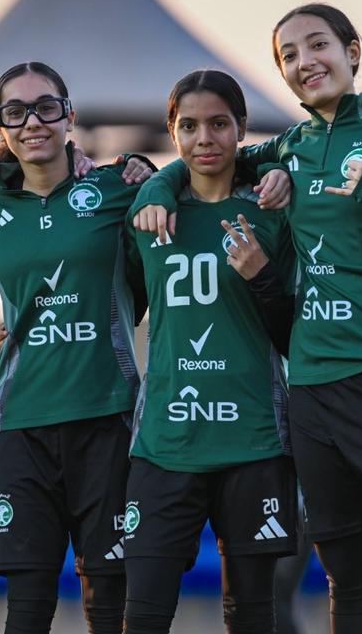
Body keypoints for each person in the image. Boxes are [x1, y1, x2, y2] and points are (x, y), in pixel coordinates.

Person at [132, 3, 362, 633]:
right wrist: (158, 187)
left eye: (317, 45)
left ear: (353, 51)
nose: (305, 62)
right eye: (289, 56)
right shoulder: (290, 147)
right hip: (313, 393)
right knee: (348, 581)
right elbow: (209, 153)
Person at [0, 61, 147, 634]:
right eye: (14, 113)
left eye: (45, 107)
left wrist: (147, 168)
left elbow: (148, 283)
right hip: (22, 423)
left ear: (70, 115)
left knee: (108, 600)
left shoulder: (118, 188)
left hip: (107, 414)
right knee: (27, 603)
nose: (32, 122)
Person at [122, 69, 297, 634]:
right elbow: (107, 303)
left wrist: (262, 275)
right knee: (143, 616)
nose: (205, 139)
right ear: (171, 132)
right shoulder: (149, 219)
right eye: (190, 126)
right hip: (165, 444)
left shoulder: (272, 214)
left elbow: (295, 334)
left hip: (252, 442)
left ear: (241, 128)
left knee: (251, 618)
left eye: (219, 124)